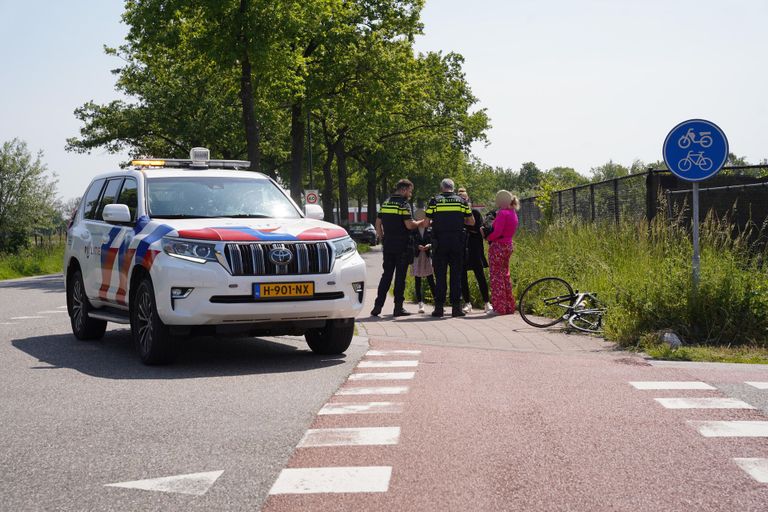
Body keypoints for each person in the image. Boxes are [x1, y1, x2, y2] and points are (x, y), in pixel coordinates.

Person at [371, 179, 423, 317]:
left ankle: (377, 306)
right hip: (402, 247)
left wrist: (382, 238)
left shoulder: (386, 203)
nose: (410, 194)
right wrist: (422, 222)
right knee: (400, 277)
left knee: (386, 276)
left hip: (388, 245)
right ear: (404, 189)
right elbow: (409, 225)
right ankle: (398, 308)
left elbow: (378, 223)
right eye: (410, 191)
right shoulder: (403, 205)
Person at [424, 178, 474, 318]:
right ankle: (456, 308)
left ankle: (439, 308)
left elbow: (427, 222)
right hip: (457, 242)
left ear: (442, 188)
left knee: (440, 276)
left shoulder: (435, 200)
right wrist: (458, 221)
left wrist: (437, 221)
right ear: (453, 187)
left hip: (440, 242)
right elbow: (471, 221)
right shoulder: (461, 201)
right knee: (456, 275)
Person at [457, 189, 491, 314]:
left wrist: (466, 227)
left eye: (465, 199)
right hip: (462, 248)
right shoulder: (456, 214)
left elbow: (478, 230)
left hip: (475, 248)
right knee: (462, 276)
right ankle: (467, 303)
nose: (463, 201)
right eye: (460, 199)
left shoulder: (475, 213)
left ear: (468, 199)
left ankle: (487, 302)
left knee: (480, 275)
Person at [486, 190, 519, 315]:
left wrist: (488, 238)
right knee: (505, 275)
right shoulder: (513, 213)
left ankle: (499, 308)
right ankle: (509, 306)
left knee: (496, 277)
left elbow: (497, 232)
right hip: (508, 245)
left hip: (498, 246)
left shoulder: (502, 213)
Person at [411, 209, 436, 313]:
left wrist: (429, 245)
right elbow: (410, 240)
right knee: (418, 280)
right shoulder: (413, 228)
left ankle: (437, 302)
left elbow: (434, 240)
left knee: (431, 279)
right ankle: (420, 304)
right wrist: (417, 246)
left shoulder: (430, 228)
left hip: (427, 255)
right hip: (417, 256)